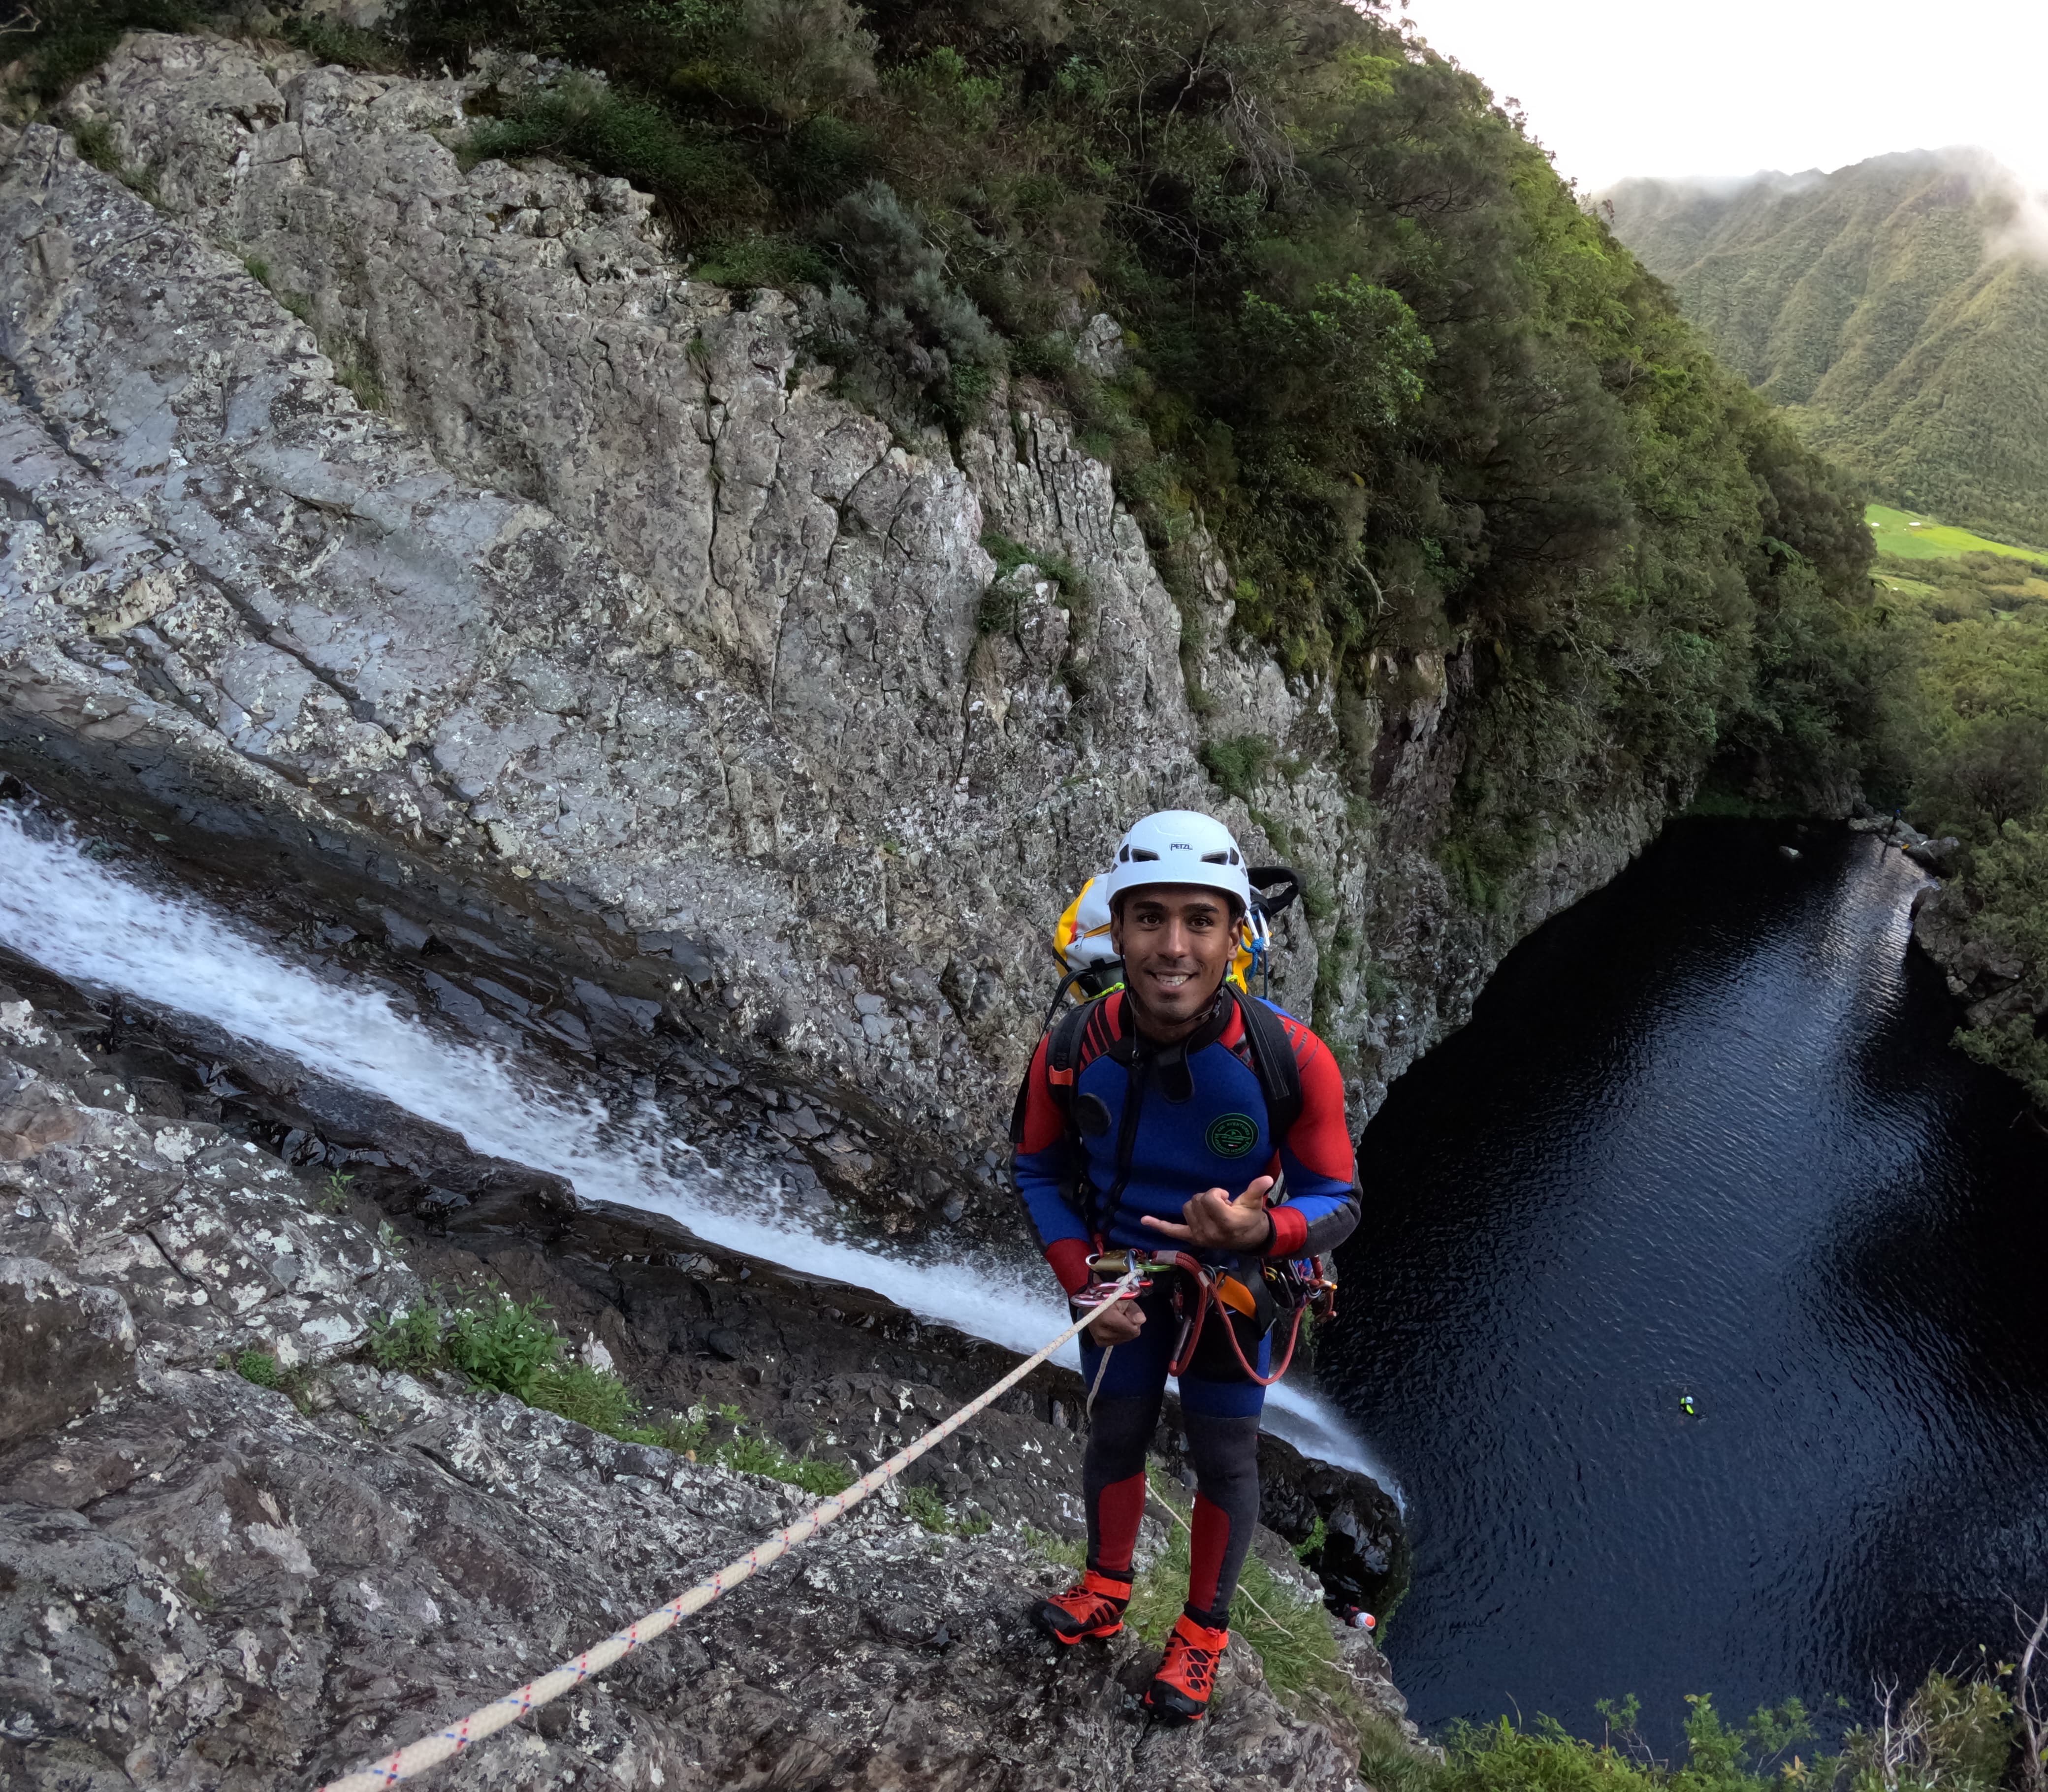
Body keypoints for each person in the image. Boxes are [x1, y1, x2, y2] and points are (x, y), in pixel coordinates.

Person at [1011, 810, 1360, 1724]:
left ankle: (1202, 1636)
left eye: (1200, 920)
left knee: (1224, 1457)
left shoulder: (1290, 1059)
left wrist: (1261, 1234)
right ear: (1117, 928)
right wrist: (1079, 1275)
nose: (1174, 946)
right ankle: (1105, 1589)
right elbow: (1037, 1167)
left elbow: (1340, 1198)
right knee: (1114, 1434)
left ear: (1234, 935)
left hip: (1235, 1288)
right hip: (1121, 1282)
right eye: (1151, 918)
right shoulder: (1070, 1049)